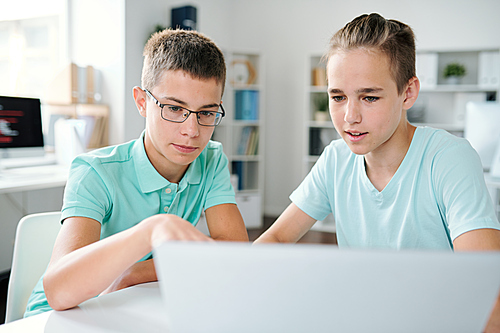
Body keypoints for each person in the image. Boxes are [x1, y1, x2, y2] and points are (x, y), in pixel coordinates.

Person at [254, 13, 500, 332]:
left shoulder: (449, 158)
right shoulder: (336, 159)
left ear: (408, 93)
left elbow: (486, 288)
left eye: (369, 97)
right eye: (338, 97)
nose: (350, 116)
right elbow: (276, 237)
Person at [25, 29, 249, 317]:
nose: (191, 131)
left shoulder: (210, 159)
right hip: (62, 316)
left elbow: (234, 252)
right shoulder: (95, 171)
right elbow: (57, 291)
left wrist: (134, 272)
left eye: (206, 113)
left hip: (134, 302)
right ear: (142, 102)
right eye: (174, 108)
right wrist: (151, 231)